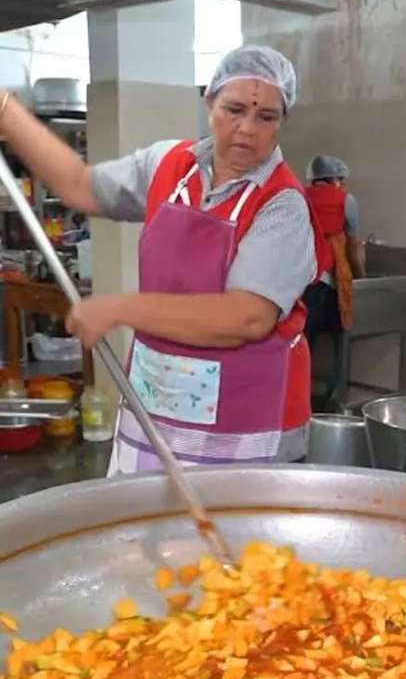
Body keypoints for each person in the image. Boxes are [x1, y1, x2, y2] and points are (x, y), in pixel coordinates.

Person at [0, 46, 328, 470]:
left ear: (282, 121)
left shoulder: (282, 205)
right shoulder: (168, 165)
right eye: (233, 109)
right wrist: (10, 115)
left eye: (266, 117)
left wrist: (121, 307)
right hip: (156, 401)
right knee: (144, 529)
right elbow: (80, 185)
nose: (247, 128)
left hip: (248, 418)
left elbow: (247, 317)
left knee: (235, 533)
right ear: (209, 101)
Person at [303, 155, 365, 401]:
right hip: (326, 284)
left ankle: (301, 400)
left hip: (299, 283)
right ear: (336, 179)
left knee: (303, 344)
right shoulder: (345, 200)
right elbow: (353, 245)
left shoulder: (298, 196)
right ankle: (332, 400)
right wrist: (359, 274)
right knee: (340, 340)